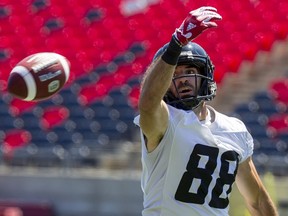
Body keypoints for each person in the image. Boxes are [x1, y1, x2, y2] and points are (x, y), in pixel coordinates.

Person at [133, 6, 278, 216]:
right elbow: (147, 104)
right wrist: (176, 44)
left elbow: (256, 200)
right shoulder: (165, 122)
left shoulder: (234, 129)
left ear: (205, 75)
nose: (182, 78)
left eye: (190, 71)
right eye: (175, 72)